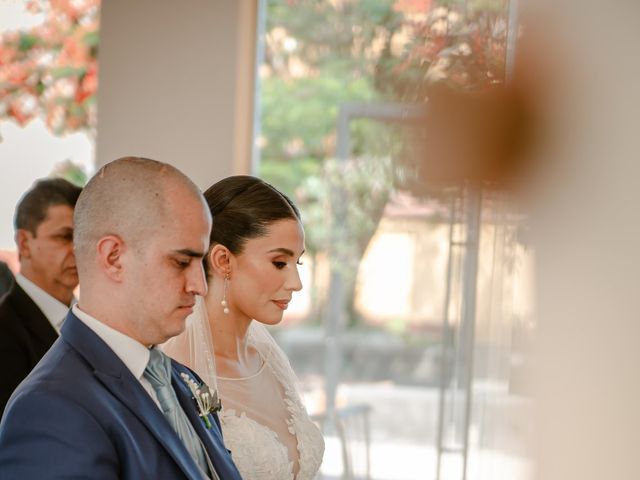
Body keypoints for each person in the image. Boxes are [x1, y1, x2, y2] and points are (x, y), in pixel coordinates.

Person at [0, 157, 242, 480]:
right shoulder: (49, 409)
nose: (199, 286)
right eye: (182, 261)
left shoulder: (181, 380)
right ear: (113, 258)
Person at [163, 175, 325, 480]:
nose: (296, 283)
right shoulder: (176, 370)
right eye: (280, 263)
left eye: (297, 264)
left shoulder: (270, 359)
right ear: (223, 260)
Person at [0, 177, 81, 417]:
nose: (78, 249)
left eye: (83, 237)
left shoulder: (94, 321)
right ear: (24, 244)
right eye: (64, 237)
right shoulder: (4, 330)